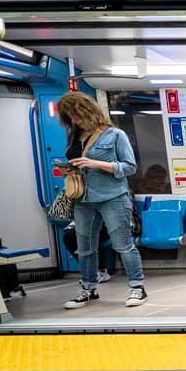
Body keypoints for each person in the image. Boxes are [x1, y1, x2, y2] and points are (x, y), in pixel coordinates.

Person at [57, 92, 147, 309]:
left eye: (77, 116)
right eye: (71, 118)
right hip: (83, 199)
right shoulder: (73, 137)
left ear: (88, 111)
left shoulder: (115, 135)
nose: (75, 121)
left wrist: (96, 164)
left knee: (123, 245)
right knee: (85, 247)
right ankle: (88, 289)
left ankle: (138, 287)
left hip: (112, 197)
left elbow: (129, 167)